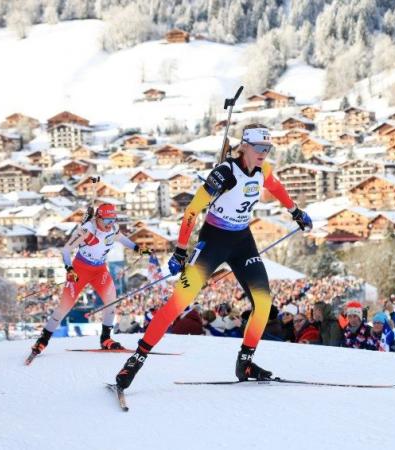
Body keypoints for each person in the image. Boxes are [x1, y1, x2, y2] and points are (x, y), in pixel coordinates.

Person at [115, 124, 312, 390]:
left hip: (242, 240)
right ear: (245, 146)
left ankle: (245, 362)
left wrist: (295, 211)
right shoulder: (225, 173)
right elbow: (191, 211)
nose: (264, 153)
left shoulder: (263, 170)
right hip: (214, 241)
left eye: (268, 148)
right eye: (259, 148)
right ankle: (136, 360)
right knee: (178, 302)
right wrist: (180, 250)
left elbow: (276, 187)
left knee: (264, 303)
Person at [29, 203, 150, 356]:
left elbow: (121, 238)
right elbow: (66, 250)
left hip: (99, 270)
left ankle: (105, 339)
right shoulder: (87, 231)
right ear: (98, 218)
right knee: (64, 307)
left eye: (113, 220)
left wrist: (137, 248)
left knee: (111, 302)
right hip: (80, 269)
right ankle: (42, 340)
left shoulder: (112, 227)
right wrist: (69, 268)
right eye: (106, 221)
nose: (110, 225)